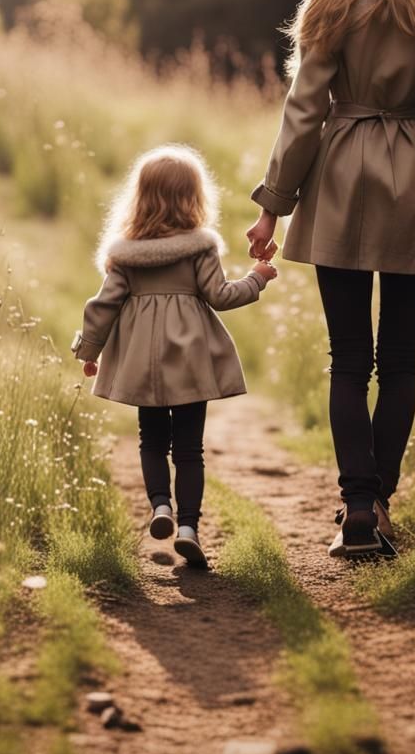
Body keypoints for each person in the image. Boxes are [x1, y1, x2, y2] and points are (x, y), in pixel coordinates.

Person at [245, 0, 415, 560]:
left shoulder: (329, 9)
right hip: (413, 183)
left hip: (342, 178)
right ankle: (380, 503)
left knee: (348, 358)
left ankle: (355, 504)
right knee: (399, 357)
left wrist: (272, 206)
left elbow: (303, 114)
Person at [72, 144, 277, 567]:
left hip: (142, 365)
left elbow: (103, 306)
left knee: (151, 441)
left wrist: (89, 351)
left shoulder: (124, 255)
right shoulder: (201, 249)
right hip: (190, 363)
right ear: (194, 197)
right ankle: (188, 528)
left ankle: (160, 505)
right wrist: (257, 278)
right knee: (189, 450)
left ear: (140, 197)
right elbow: (221, 296)